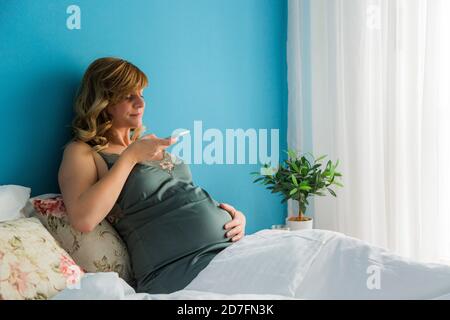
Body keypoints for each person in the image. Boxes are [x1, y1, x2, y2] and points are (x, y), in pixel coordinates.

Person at [58, 57, 246, 294]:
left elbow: (180, 195)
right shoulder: (83, 151)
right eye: (128, 96)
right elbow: (83, 219)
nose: (140, 103)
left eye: (141, 94)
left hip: (226, 249)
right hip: (177, 269)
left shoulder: (145, 144)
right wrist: (130, 157)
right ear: (103, 102)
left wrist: (234, 216)